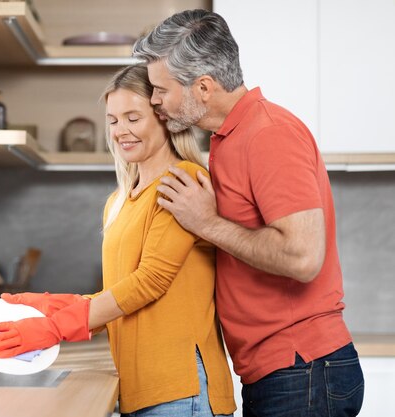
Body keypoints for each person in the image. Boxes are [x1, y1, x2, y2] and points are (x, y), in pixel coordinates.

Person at [132, 9, 364, 417]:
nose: (154, 101)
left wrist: (206, 222)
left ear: (202, 87)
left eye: (160, 90)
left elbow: (303, 257)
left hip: (302, 367)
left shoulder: (268, 134)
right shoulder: (230, 137)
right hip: (282, 371)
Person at [0, 64, 236, 417]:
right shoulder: (119, 202)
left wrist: (55, 327)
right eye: (113, 120)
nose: (121, 131)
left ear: (164, 118)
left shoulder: (183, 182)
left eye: (133, 117)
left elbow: (150, 282)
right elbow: (122, 293)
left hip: (180, 389)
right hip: (140, 388)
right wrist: (50, 305)